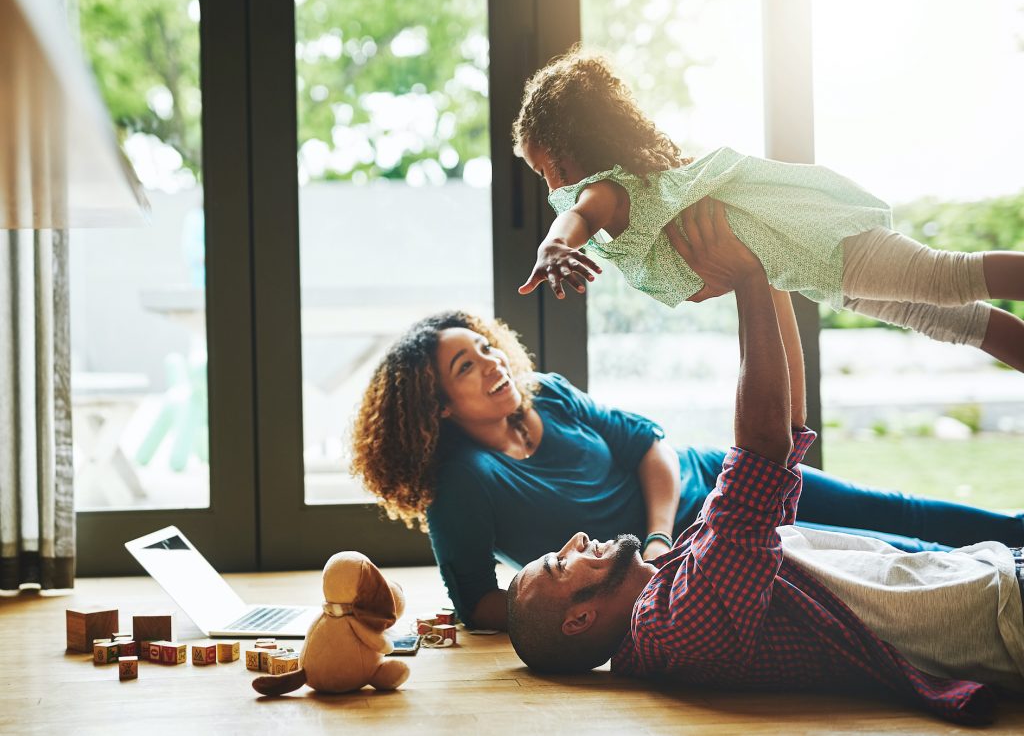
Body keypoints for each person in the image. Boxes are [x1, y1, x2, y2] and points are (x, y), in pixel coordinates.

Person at [349, 208, 1024, 632]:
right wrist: (610, 612)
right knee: (885, 558)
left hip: (713, 483)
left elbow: (651, 445)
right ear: (436, 405)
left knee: (900, 511)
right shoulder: (462, 481)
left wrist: (655, 537)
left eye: (486, 346)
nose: (493, 362)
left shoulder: (546, 394)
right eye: (466, 366)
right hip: (706, 559)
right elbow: (480, 603)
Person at [505, 203, 1024, 725]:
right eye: (558, 564)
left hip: (990, 577)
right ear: (580, 620)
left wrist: (768, 274)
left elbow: (787, 433)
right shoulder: (678, 623)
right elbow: (760, 455)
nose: (573, 542)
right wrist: (747, 279)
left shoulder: (674, 582)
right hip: (1003, 614)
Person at [512, 46, 1024, 373]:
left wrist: (555, 246)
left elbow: (576, 217)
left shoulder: (609, 192)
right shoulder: (650, 186)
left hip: (820, 242)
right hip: (815, 268)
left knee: (946, 278)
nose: (551, 186)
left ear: (569, 148)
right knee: (955, 321)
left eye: (546, 170)